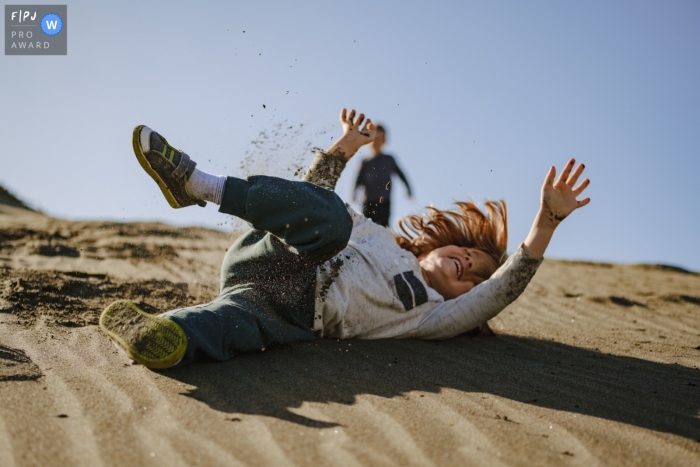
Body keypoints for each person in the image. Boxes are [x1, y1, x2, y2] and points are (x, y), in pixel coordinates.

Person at [99, 108, 590, 369]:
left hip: (286, 313)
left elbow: (496, 293)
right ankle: (198, 186)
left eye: (476, 274)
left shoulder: (431, 316)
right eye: (468, 251)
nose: (468, 262)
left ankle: (165, 334)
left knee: (232, 327)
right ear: (439, 242)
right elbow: (311, 201)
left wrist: (544, 222)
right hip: (277, 254)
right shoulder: (378, 237)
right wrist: (343, 148)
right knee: (332, 217)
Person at [352, 124, 412, 227]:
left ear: (384, 140)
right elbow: (358, 179)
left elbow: (401, 175)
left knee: (384, 226)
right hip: (368, 201)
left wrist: (408, 190)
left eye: (379, 138)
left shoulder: (389, 159)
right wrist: (354, 193)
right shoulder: (365, 162)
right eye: (374, 138)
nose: (376, 141)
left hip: (384, 201)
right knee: (366, 226)